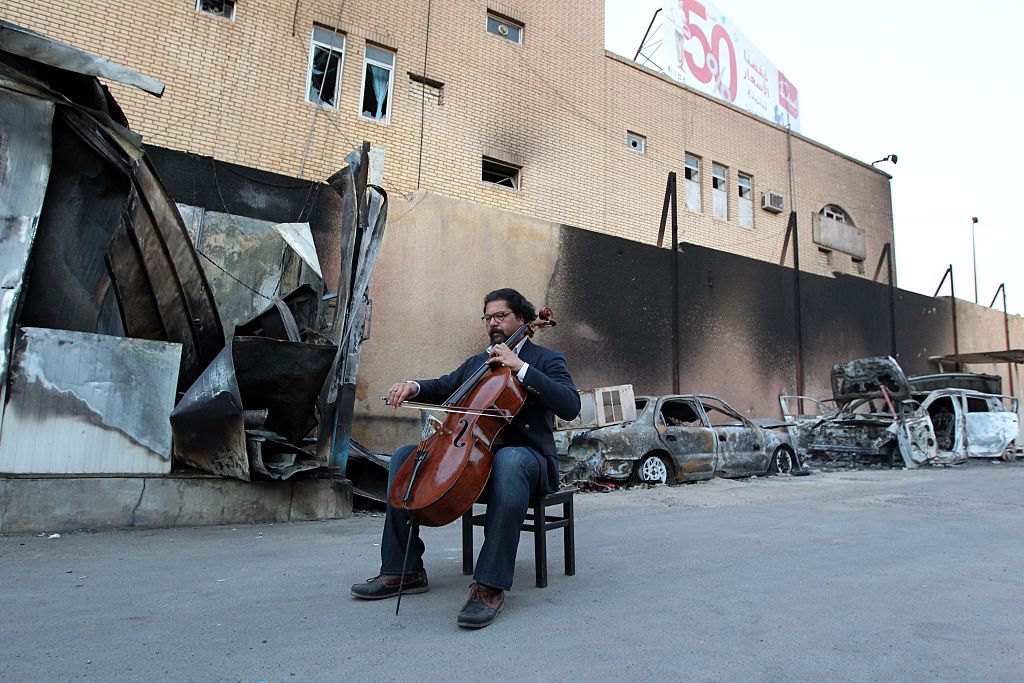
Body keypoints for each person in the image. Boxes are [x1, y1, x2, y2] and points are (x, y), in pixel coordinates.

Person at [350, 288, 581, 629]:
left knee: (511, 460)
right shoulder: (479, 362)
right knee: (403, 457)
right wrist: (413, 386)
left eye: (500, 316)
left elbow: (570, 405)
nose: (492, 323)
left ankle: (489, 586)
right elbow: (445, 386)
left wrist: (521, 368)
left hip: (527, 462)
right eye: (487, 317)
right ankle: (403, 570)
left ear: (521, 317)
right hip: (474, 462)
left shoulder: (546, 359)